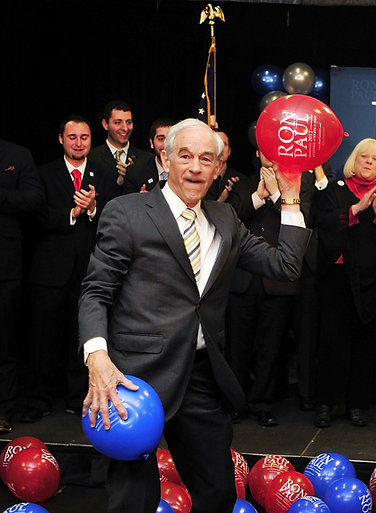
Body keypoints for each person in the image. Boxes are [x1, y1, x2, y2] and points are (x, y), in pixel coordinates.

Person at [78, 118, 311, 513]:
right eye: (185, 156)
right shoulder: (127, 212)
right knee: (133, 501)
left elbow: (285, 266)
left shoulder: (225, 218)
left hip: (200, 375)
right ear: (166, 159)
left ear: (218, 168)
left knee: (218, 493)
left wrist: (289, 196)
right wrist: (97, 357)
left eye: (206, 159)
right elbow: (96, 291)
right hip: (132, 378)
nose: (195, 167)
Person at [24, 115, 116, 422]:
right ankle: (39, 399)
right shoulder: (43, 173)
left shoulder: (103, 174)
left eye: (84, 137)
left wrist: (92, 209)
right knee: (43, 339)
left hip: (88, 272)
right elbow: (35, 217)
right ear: (61, 139)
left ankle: (79, 397)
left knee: (82, 337)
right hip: (49, 271)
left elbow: (113, 218)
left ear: (91, 140)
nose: (79, 143)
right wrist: (72, 212)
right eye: (73, 137)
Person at [313, 138, 376, 428]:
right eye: (364, 157)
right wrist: (356, 208)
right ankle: (325, 403)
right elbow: (323, 223)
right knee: (331, 340)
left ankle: (358, 404)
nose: (369, 162)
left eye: (375, 159)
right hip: (338, 276)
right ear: (354, 160)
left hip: (374, 278)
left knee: (366, 343)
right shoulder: (335, 189)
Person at [226, 150, 323, 426]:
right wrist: (259, 197)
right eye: (265, 152)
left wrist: (279, 194)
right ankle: (235, 402)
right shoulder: (242, 183)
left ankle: (262, 403)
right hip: (242, 280)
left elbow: (303, 220)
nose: (270, 158)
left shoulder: (298, 185)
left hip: (278, 282)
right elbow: (231, 218)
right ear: (257, 153)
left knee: (270, 347)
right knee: (237, 346)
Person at [0, 138, 43, 432]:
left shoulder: (17, 154)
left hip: (5, 267)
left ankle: (3, 410)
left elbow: (34, 199)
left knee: (5, 342)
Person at [88, 100, 153, 195]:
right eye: (118, 122)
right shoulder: (92, 157)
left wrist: (133, 174)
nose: (125, 128)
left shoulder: (146, 159)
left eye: (129, 122)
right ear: (105, 124)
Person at [122, 118, 176, 194]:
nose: (166, 145)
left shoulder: (186, 169)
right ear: (151, 143)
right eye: (161, 139)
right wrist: (141, 199)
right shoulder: (135, 172)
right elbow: (128, 200)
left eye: (170, 139)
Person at [205, 128, 243, 203]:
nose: (220, 148)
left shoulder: (239, 180)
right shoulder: (199, 177)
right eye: (216, 144)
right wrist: (221, 200)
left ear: (229, 151)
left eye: (224, 144)